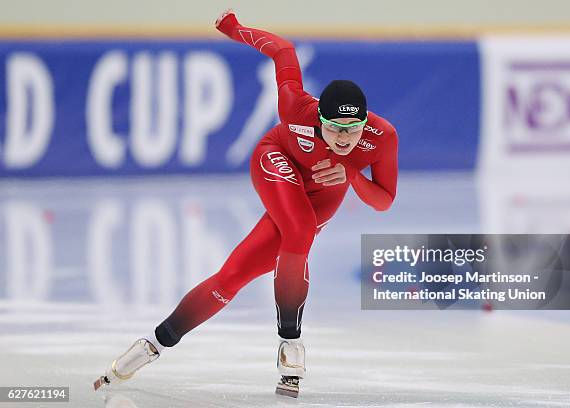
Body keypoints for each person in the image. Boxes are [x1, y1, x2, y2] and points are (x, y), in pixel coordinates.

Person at [94, 10, 398, 398]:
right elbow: (283, 51)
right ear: (319, 119)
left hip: (325, 190)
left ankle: (151, 344)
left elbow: (384, 201)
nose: (344, 139)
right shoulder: (295, 106)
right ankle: (291, 343)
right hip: (277, 160)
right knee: (300, 231)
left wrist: (353, 175)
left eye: (352, 131)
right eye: (335, 129)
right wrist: (235, 29)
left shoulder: (383, 137)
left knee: (233, 277)